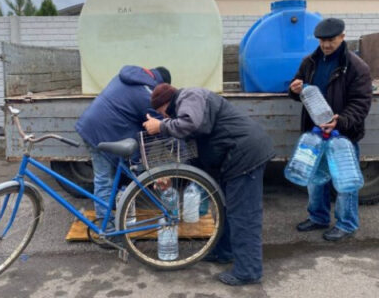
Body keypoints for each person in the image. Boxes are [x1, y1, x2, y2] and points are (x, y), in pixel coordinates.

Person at [143, 84, 275, 286]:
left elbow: (193, 124)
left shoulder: (190, 96)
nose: (162, 117)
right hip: (231, 159)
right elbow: (195, 155)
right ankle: (223, 251)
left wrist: (160, 126)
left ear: (163, 106)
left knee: (243, 215)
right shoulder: (184, 107)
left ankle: (248, 271)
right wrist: (173, 176)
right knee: (223, 209)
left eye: (160, 113)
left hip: (244, 155)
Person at [289, 18, 372, 241]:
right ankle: (318, 217)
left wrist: (341, 120)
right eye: (322, 41)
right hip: (314, 134)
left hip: (342, 136)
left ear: (343, 37)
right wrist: (294, 88)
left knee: (344, 183)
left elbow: (361, 103)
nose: (326, 45)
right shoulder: (310, 62)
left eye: (331, 40)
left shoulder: (357, 67)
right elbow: (300, 91)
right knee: (315, 180)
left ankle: (347, 223)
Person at [75, 65, 171, 222]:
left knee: (107, 179)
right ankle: (106, 226)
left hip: (91, 126)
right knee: (105, 180)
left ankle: (109, 220)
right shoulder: (147, 94)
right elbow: (164, 128)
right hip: (101, 132)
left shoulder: (127, 77)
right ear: (161, 84)